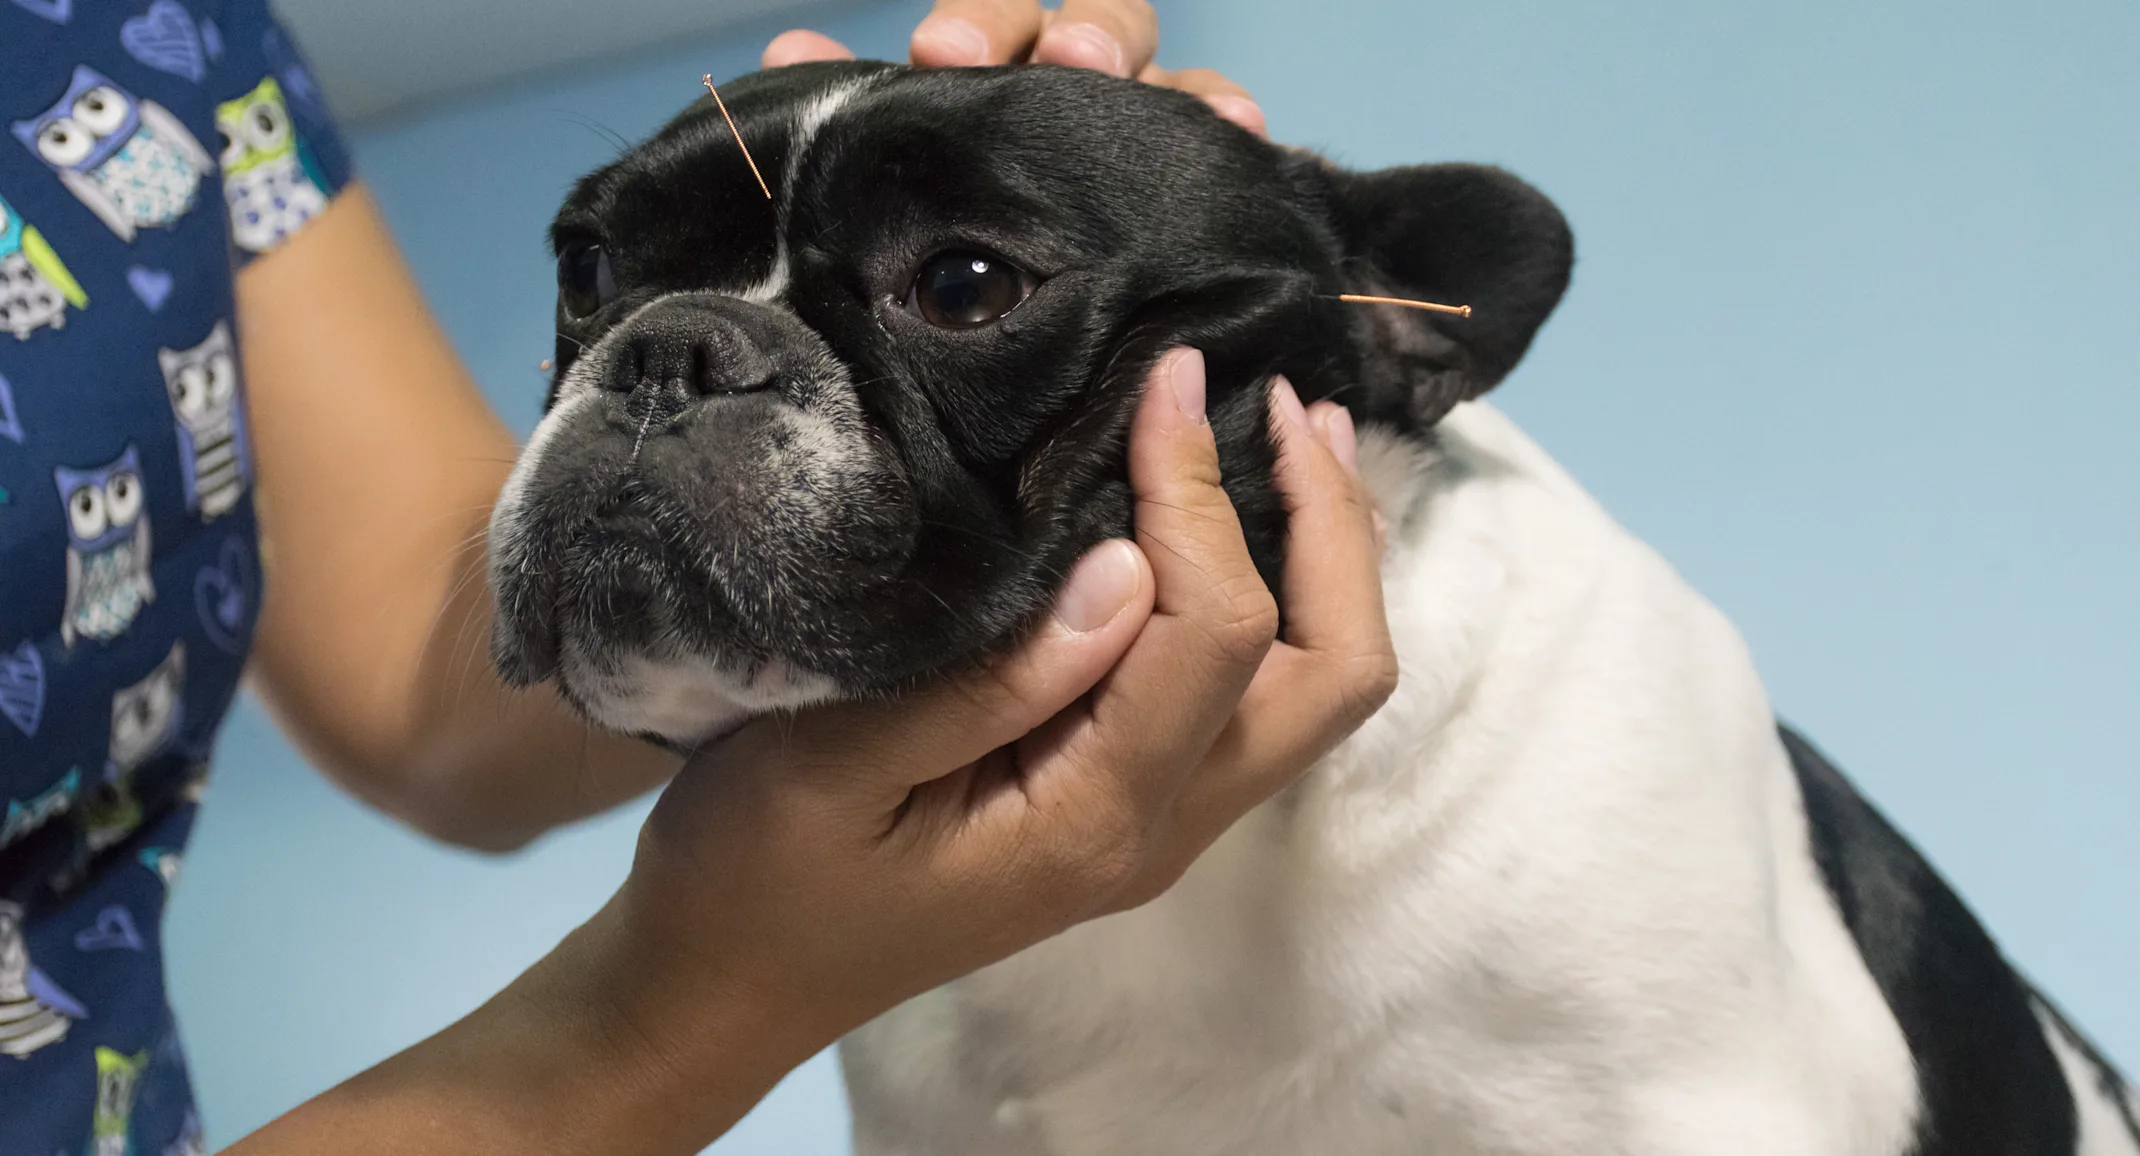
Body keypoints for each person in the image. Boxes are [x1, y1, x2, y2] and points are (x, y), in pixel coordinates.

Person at [0, 0, 1395, 1152]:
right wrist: (677, 1007)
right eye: (612, 286)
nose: (660, 368)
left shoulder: (161, 35)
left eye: (961, 285)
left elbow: (418, 690)